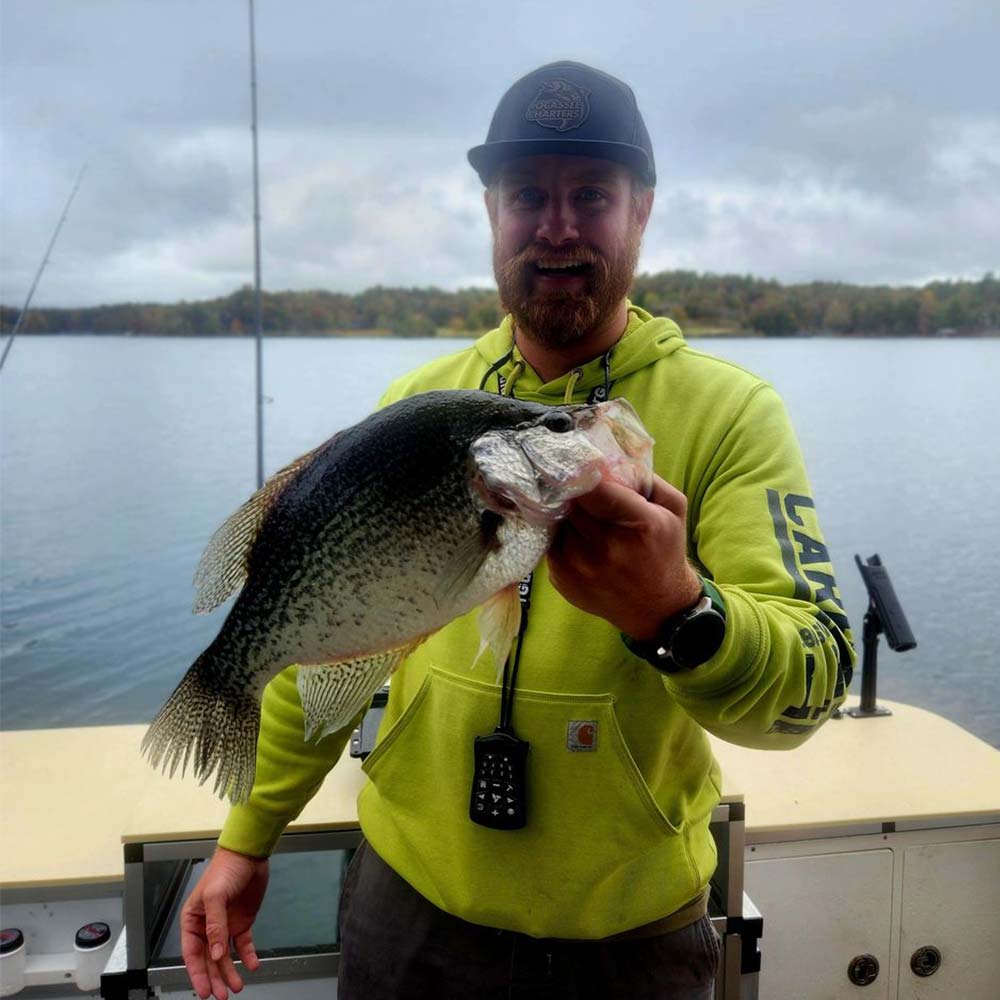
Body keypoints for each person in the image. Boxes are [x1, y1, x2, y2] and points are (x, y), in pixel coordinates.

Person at [180, 61, 855, 1000]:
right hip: (408, 907)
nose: (558, 226)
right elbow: (325, 631)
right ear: (492, 211)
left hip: (629, 938)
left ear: (643, 209)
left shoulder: (733, 414)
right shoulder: (418, 402)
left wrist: (678, 613)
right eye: (527, 194)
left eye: (593, 194)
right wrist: (248, 837)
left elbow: (810, 689)